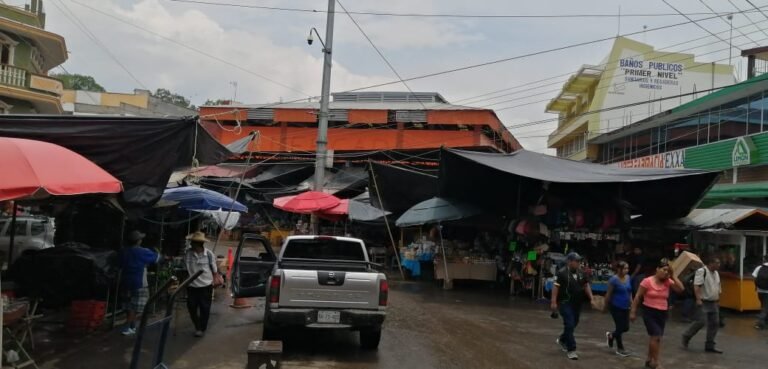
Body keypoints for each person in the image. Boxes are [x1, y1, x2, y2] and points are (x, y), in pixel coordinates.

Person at [630, 258, 684, 369]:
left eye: (667, 271)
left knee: (656, 337)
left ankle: (649, 360)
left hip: (662, 312)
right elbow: (638, 297)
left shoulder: (668, 282)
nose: (665, 272)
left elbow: (681, 289)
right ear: (657, 269)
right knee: (655, 336)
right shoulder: (647, 281)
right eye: (663, 270)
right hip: (649, 312)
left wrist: (673, 276)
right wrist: (633, 311)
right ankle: (656, 362)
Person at [551, 252, 595, 361]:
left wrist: (592, 298)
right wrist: (553, 301)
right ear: (569, 261)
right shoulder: (561, 273)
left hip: (577, 303)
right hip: (565, 302)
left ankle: (562, 339)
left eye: (579, 261)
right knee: (569, 324)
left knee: (574, 323)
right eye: (577, 261)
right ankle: (572, 349)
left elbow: (586, 285)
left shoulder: (582, 273)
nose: (579, 263)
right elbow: (556, 287)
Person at [119, 230, 160, 336]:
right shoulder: (143, 251)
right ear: (138, 241)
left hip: (125, 282)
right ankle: (127, 326)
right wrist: (157, 252)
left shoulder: (124, 251)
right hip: (139, 283)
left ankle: (132, 326)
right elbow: (157, 258)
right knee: (137, 307)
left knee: (128, 305)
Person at [682, 257, 723, 353]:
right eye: (717, 263)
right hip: (704, 301)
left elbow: (718, 285)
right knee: (701, 321)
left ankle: (710, 344)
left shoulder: (716, 273)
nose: (719, 265)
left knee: (715, 323)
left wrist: (718, 297)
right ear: (710, 263)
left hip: (713, 301)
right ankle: (687, 335)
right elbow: (697, 285)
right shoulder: (702, 271)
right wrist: (698, 299)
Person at [185, 231, 218, 337]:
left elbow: (214, 270)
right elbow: (185, 268)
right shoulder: (188, 253)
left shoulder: (208, 254)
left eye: (192, 242)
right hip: (191, 286)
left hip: (205, 286)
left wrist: (216, 279)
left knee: (205, 308)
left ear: (197, 243)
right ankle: (197, 326)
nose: (190, 244)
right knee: (191, 307)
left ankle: (202, 328)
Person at [604, 261, 632, 357]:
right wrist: (605, 306)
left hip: (626, 306)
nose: (626, 270)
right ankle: (620, 348)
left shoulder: (628, 278)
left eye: (627, 268)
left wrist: (631, 302)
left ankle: (611, 335)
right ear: (619, 269)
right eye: (624, 268)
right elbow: (608, 294)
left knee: (626, 327)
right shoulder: (613, 280)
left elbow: (629, 291)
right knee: (619, 327)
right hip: (616, 306)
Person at [752, 255, 768, 330]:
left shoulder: (759, 268)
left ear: (765, 259)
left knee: (763, 306)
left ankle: (765, 322)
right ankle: (760, 323)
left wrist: (757, 285)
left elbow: (754, 277)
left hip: (759, 290)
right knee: (765, 308)